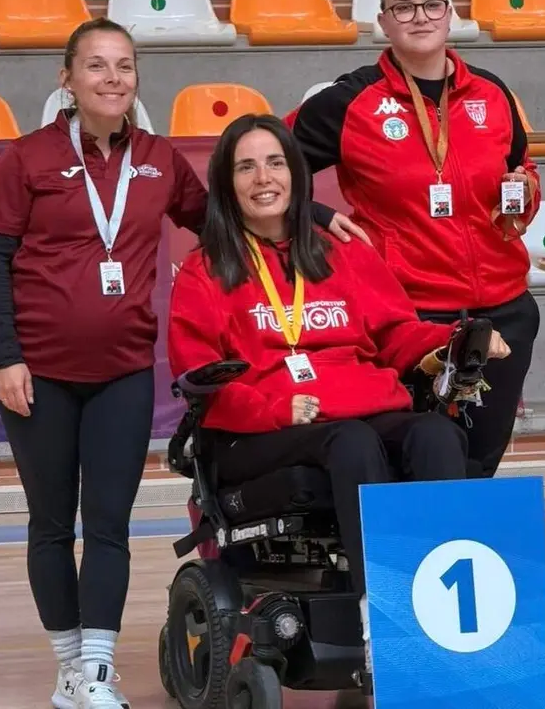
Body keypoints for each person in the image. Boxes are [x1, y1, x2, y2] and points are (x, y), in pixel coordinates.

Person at [0, 18, 364, 709]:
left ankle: (95, 672)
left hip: (122, 371)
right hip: (39, 373)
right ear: (67, 79)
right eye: (96, 66)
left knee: (109, 524)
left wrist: (315, 214)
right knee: (51, 524)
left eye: (124, 65)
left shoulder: (156, 159)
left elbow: (227, 213)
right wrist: (7, 357)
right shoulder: (25, 160)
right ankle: (67, 667)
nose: (113, 78)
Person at [166, 112, 510, 684]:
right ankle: (381, 621)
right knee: (350, 442)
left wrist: (453, 342)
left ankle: (445, 612)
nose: (263, 177)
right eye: (245, 166)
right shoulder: (207, 270)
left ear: (297, 175)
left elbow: (397, 331)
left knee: (435, 434)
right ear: (227, 185)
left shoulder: (339, 252)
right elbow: (200, 377)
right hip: (258, 432)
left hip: (358, 411)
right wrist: (271, 406)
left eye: (275, 162)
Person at [284, 0, 542, 479]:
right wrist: (316, 214)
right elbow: (264, 162)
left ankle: (462, 556)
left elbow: (520, 167)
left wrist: (526, 192)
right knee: (419, 460)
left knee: (479, 462)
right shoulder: (349, 101)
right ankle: (405, 561)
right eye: (403, 7)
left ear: (450, 13)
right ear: (382, 21)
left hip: (503, 310)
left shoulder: (492, 93)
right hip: (411, 313)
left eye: (431, 5)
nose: (419, 17)